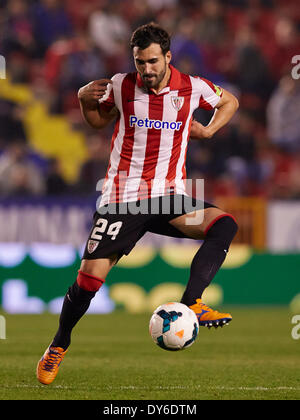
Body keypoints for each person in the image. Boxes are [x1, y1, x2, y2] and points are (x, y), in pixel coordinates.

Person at [36, 22, 239, 385]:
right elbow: (98, 123)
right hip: (123, 200)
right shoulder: (120, 85)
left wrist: (208, 130)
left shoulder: (191, 87)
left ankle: (192, 301)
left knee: (224, 224)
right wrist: (84, 100)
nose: (145, 69)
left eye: (152, 62)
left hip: (168, 196)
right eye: (139, 62)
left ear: (168, 57)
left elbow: (230, 101)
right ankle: (58, 345)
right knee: (87, 284)